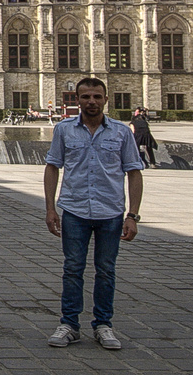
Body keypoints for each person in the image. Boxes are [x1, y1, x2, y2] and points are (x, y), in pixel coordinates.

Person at [44, 76, 143, 351]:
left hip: (110, 211)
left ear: (105, 100)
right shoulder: (64, 130)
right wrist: (50, 208)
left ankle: (103, 325)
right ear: (78, 100)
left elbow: (134, 172)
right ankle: (69, 324)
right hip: (74, 210)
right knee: (72, 269)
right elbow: (52, 166)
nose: (91, 101)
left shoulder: (122, 133)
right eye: (86, 97)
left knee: (106, 271)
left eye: (97, 97)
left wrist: (133, 215)